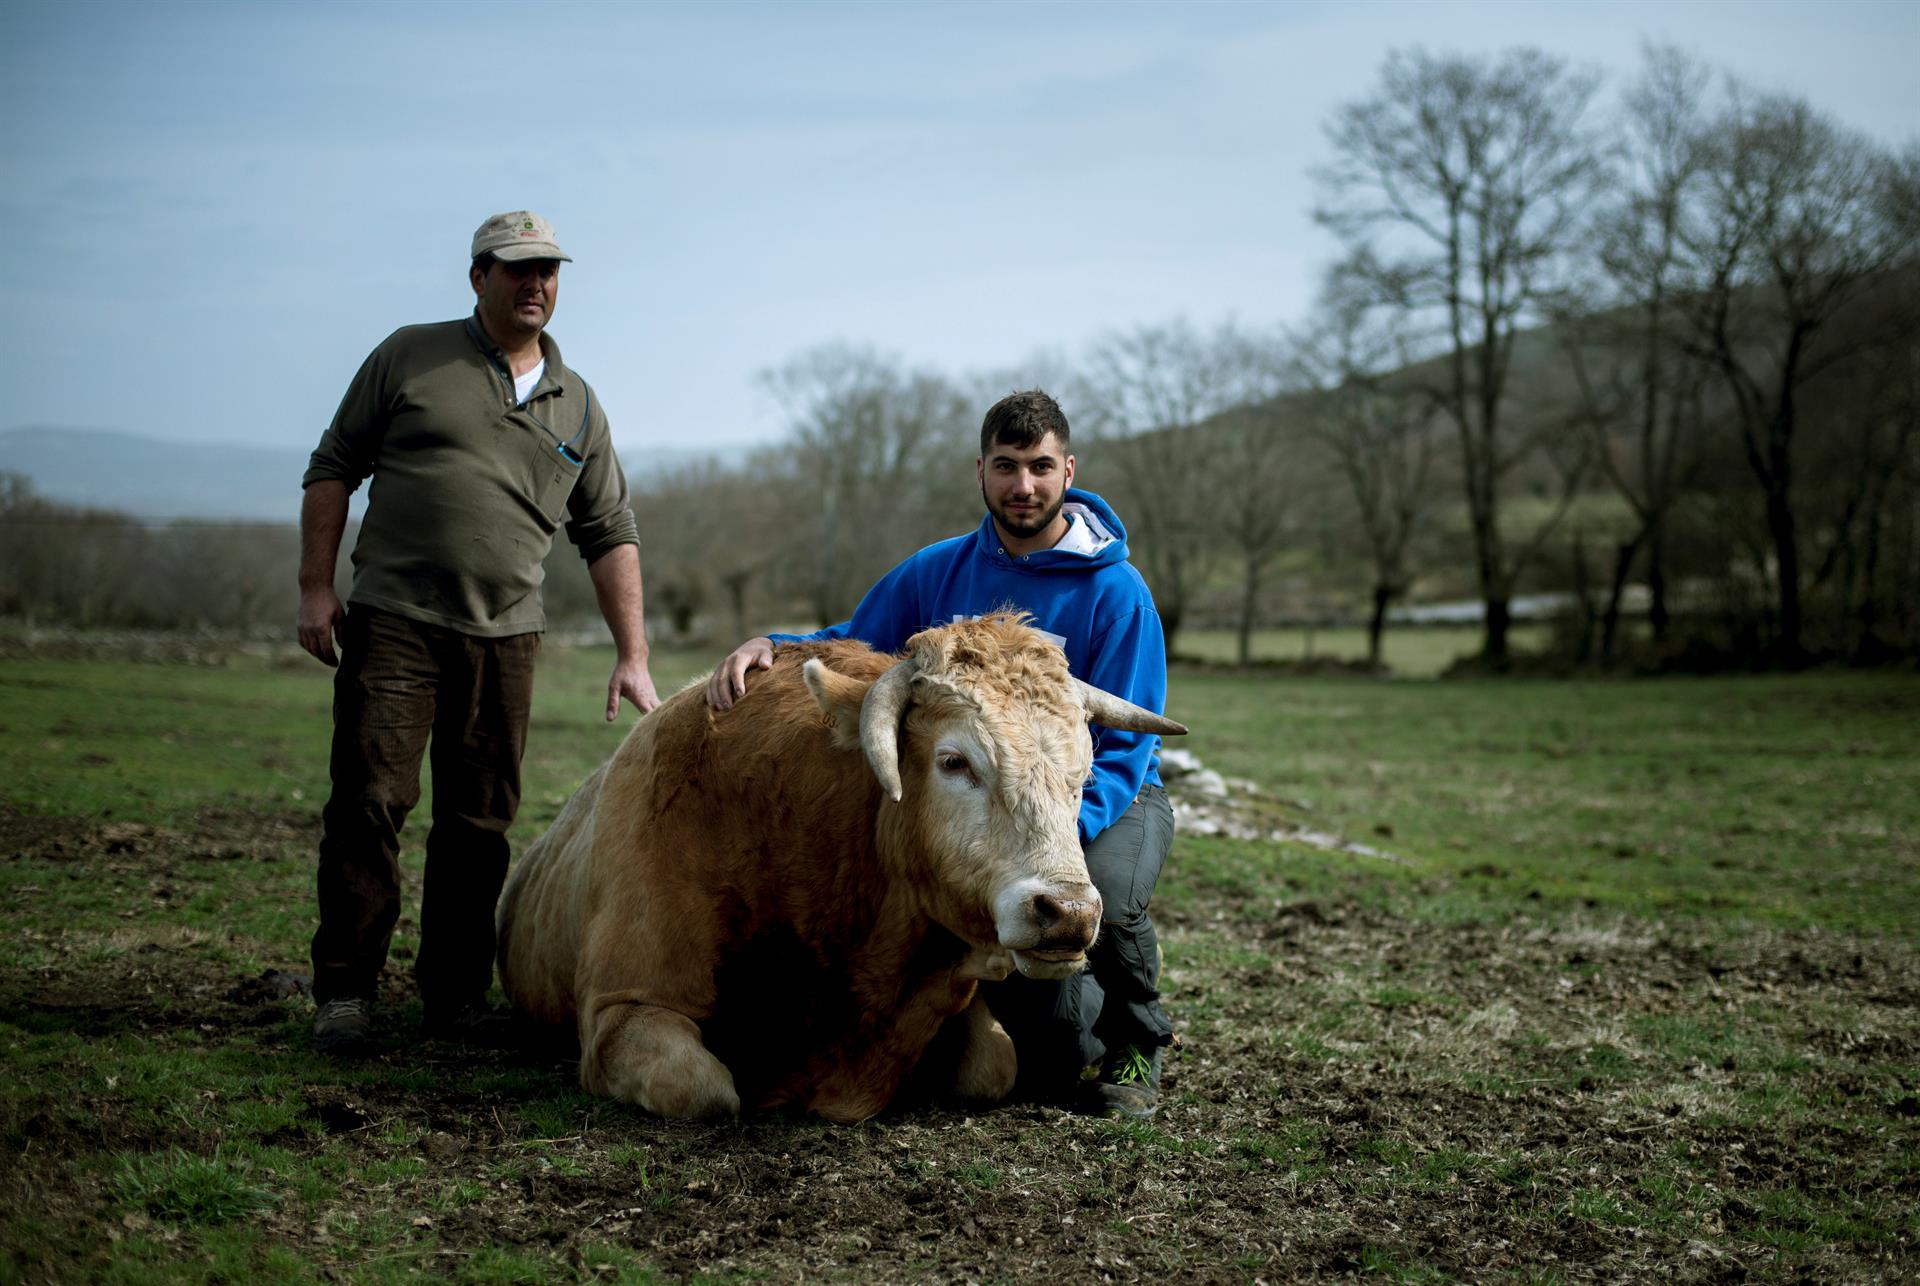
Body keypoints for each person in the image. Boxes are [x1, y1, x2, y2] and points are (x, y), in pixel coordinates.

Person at [706, 390, 1176, 1118]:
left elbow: (1126, 742)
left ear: (1069, 470)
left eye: (1041, 467)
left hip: (1103, 792)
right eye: (1007, 466)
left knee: (1104, 898)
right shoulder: (937, 570)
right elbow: (860, 639)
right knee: (1046, 1052)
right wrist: (777, 641)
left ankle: (1139, 1042)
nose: (1025, 486)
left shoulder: (1117, 592)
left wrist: (1054, 837)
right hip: (985, 796)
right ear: (981, 471)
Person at [298, 211, 661, 1055]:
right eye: (517, 269)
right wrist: (317, 587)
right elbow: (332, 467)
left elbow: (608, 532)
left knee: (479, 823)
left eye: (549, 271)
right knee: (370, 804)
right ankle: (345, 995)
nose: (536, 284)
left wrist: (634, 653)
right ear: (478, 278)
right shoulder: (410, 355)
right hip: (395, 623)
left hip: (507, 639)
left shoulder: (578, 404)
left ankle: (454, 1002)